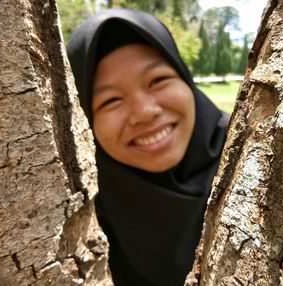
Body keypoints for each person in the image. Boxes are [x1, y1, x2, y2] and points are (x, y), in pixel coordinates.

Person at [67, 8, 229, 286]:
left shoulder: (250, 154)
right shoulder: (81, 217)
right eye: (111, 101)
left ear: (184, 77)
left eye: (158, 80)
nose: (144, 112)